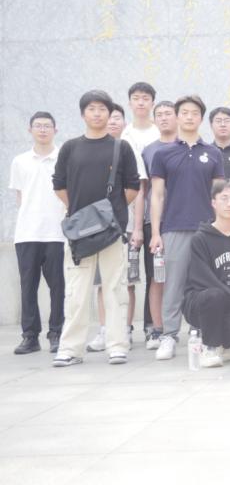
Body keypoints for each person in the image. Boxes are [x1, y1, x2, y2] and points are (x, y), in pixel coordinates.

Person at [51, 90, 140, 367]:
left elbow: (132, 187)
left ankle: (117, 345)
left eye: (103, 109)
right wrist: (83, 214)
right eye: (92, 108)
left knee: (115, 289)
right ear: (83, 114)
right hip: (79, 232)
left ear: (110, 114)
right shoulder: (70, 148)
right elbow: (59, 185)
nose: (98, 113)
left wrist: (110, 215)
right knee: (76, 292)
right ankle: (71, 349)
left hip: (112, 232)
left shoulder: (121, 147)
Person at [150, 95, 225, 360]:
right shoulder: (163, 154)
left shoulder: (213, 153)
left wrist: (220, 229)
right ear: (177, 117)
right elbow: (157, 195)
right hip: (174, 227)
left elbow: (219, 195)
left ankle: (201, 332)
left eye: (195, 113)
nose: (189, 117)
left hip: (207, 230)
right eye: (184, 112)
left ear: (201, 118)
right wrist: (156, 232)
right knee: (173, 285)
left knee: (204, 284)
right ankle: (169, 335)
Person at [182, 179, 230, 368]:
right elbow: (203, 279)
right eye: (224, 198)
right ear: (213, 203)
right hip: (200, 301)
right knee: (214, 295)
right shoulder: (200, 238)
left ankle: (224, 344)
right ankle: (209, 347)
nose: (229, 204)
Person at [10, 111, 66, 354]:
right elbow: (20, 197)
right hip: (27, 233)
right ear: (30, 130)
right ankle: (30, 337)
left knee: (58, 287)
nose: (42, 129)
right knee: (28, 287)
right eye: (38, 126)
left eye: (47, 126)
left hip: (57, 233)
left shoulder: (64, 158)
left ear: (55, 130)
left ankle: (57, 333)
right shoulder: (20, 161)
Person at [86, 104, 138, 353]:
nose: (111, 121)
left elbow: (136, 189)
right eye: (109, 117)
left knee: (124, 282)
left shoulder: (126, 149)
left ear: (123, 123)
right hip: (95, 228)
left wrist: (115, 211)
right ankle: (105, 329)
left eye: (117, 118)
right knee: (101, 283)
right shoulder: (86, 150)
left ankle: (123, 329)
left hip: (122, 227)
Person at [121, 82, 161, 341]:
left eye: (145, 98)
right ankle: (122, 328)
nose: (141, 102)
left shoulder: (160, 134)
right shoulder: (124, 136)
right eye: (136, 98)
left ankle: (151, 326)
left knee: (155, 274)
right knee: (128, 277)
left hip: (155, 217)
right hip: (127, 219)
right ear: (130, 103)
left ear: (152, 103)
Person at [141, 101, 178, 349]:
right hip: (155, 222)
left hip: (182, 219)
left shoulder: (188, 147)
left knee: (187, 276)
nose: (164, 118)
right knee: (157, 276)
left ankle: (194, 327)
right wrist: (146, 228)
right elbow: (145, 190)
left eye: (168, 114)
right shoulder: (149, 151)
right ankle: (158, 329)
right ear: (154, 120)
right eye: (160, 115)